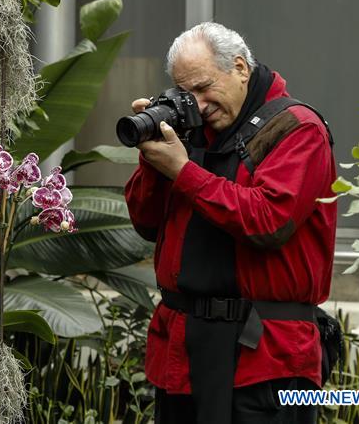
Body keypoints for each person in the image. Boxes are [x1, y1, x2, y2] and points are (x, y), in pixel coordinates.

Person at [124, 22, 336, 424]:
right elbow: (146, 223)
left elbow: (268, 221)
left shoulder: (297, 128)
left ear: (240, 67)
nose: (199, 105)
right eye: (188, 94)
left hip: (265, 359)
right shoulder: (192, 132)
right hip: (183, 351)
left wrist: (183, 171)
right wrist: (154, 160)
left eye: (205, 88)